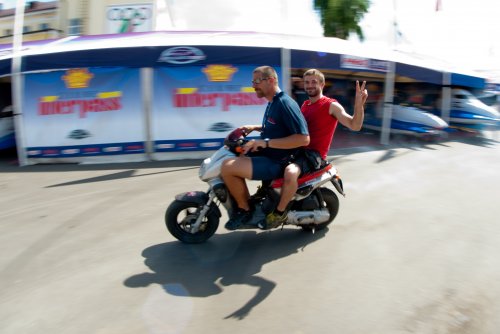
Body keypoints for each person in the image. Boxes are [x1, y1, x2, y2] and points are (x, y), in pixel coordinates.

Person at [261, 69, 368, 229]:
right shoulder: (305, 105)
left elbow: (355, 125)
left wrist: (359, 105)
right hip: (298, 149)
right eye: (307, 82)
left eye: (313, 82)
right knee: (266, 158)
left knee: (290, 173)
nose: (309, 85)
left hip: (313, 155)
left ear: (322, 84)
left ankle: (279, 213)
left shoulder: (331, 105)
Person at [221, 66, 310, 230]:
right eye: (252, 82)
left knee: (227, 167)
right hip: (268, 155)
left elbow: (303, 138)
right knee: (237, 153)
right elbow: (276, 128)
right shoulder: (272, 102)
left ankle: (245, 210)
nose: (253, 86)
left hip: (277, 161)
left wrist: (266, 143)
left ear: (271, 80)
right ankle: (248, 202)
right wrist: (254, 128)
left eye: (257, 81)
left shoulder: (285, 103)